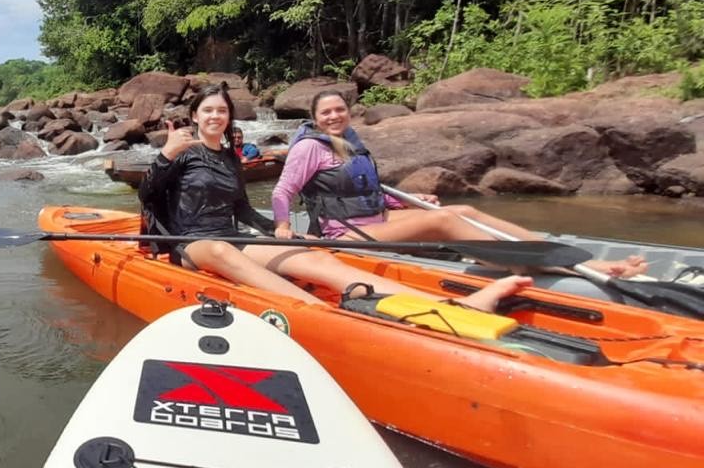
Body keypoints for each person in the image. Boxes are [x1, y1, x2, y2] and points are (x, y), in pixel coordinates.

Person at [139, 84, 530, 311]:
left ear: (228, 117)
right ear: (194, 116)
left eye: (221, 111)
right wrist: (164, 155)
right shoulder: (182, 151)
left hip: (231, 235)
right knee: (222, 253)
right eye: (207, 110)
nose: (215, 117)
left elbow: (241, 208)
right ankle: (318, 314)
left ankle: (451, 307)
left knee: (313, 257)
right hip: (192, 243)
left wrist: (279, 231)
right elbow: (149, 192)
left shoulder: (228, 157)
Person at [271, 89, 649, 278]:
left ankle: (546, 251)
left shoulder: (350, 141)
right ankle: (565, 268)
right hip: (341, 234)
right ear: (316, 119)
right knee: (445, 222)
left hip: (374, 221)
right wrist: (284, 226)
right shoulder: (308, 148)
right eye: (327, 112)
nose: (335, 116)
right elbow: (282, 191)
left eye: (340, 109)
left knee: (462, 209)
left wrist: (409, 201)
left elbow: (368, 192)